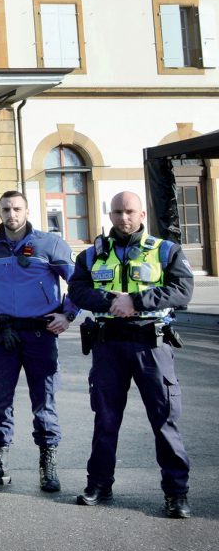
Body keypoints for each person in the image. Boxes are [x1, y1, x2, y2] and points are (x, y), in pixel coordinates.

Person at [68, 191, 195, 519]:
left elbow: (182, 291)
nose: (123, 218)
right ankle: (98, 483)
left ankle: (176, 494)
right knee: (106, 419)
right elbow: (77, 290)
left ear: (141, 215)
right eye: (117, 212)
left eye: (129, 212)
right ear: (109, 215)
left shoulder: (165, 250)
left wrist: (136, 302)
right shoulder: (91, 254)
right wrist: (111, 301)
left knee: (164, 419)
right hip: (108, 344)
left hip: (150, 344)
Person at [0, 191, 77, 493]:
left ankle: (47, 466)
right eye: (6, 209)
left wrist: (67, 315)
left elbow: (77, 283)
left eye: (17, 209)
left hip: (41, 334)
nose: (11, 214)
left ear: (27, 211)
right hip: (3, 335)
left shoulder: (49, 244)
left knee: (44, 403)